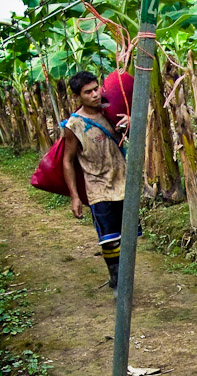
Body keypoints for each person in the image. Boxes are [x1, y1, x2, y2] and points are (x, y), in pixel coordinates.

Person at [62, 71, 130, 296]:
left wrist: (131, 121)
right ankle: (117, 280)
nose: (94, 95)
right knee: (109, 240)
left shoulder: (111, 111)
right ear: (78, 96)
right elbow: (68, 161)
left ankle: (122, 278)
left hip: (122, 182)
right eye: (87, 92)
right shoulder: (75, 124)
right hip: (97, 186)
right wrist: (75, 196)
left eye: (96, 89)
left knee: (126, 236)